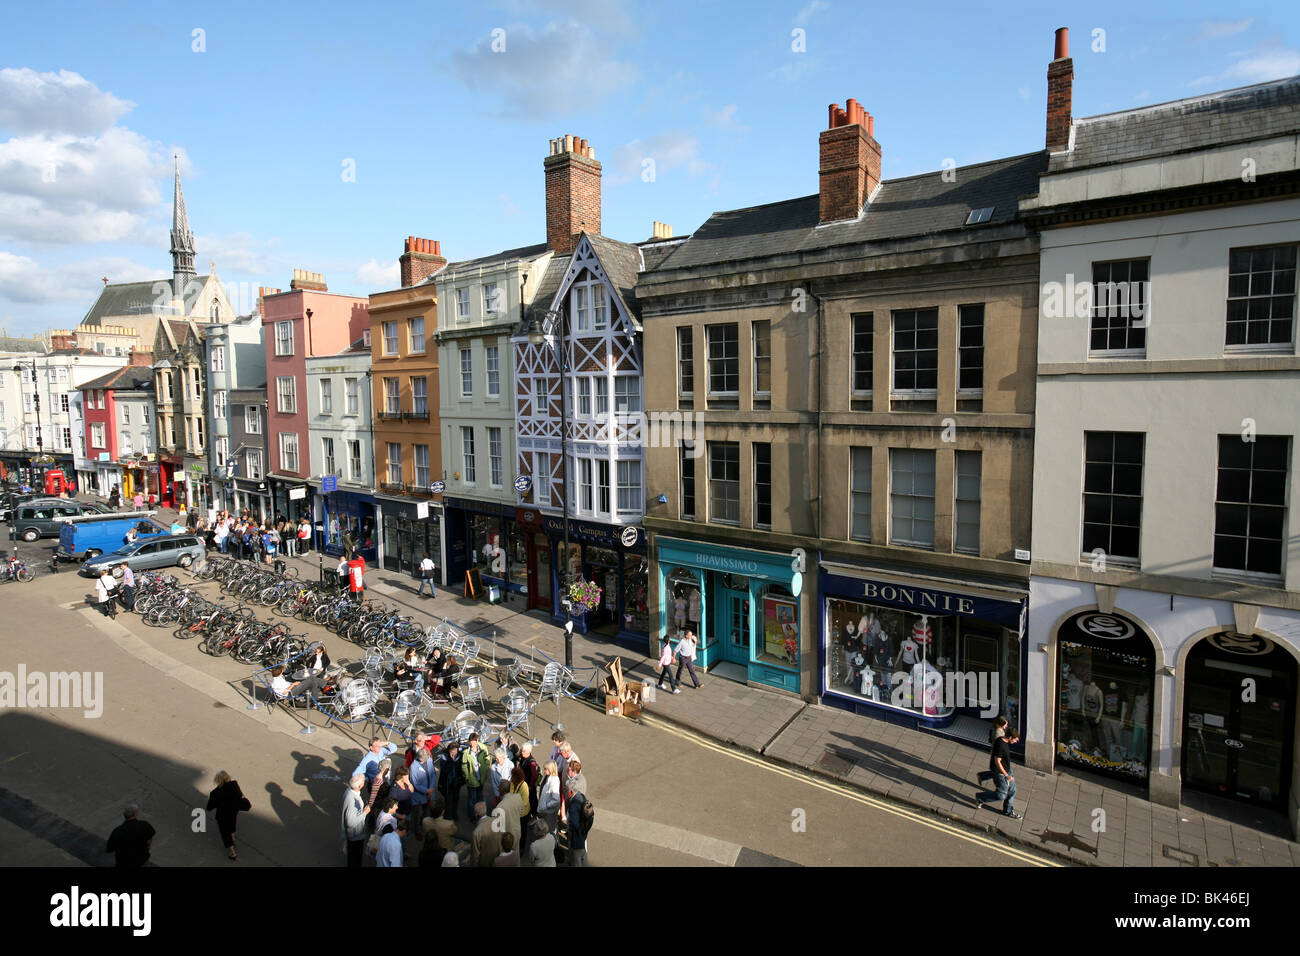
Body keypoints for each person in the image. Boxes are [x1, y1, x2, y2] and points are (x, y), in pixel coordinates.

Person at [976, 727, 1022, 819]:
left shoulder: (1001, 740)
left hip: (1007, 770)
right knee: (1001, 795)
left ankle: (1008, 811)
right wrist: (1006, 775)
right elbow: (997, 761)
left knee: (1012, 791)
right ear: (1010, 737)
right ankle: (980, 797)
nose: (1016, 742)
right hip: (1001, 774)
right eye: (1015, 740)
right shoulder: (1001, 745)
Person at [206, 771, 251, 861]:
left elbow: (209, 807)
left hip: (222, 815)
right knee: (232, 824)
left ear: (217, 780)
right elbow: (240, 796)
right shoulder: (234, 785)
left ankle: (232, 853)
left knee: (225, 833)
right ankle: (233, 839)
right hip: (233, 811)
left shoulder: (215, 793)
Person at [561, 779, 590, 867]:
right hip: (583, 833)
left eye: (567, 790)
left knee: (576, 860)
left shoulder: (574, 805)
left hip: (576, 838)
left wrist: (570, 832)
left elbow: (574, 824)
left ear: (571, 791)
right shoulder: (581, 796)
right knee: (583, 857)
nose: (566, 792)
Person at [342, 775, 368, 868]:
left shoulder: (349, 791)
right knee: (355, 858)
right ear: (360, 786)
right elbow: (351, 822)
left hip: (353, 835)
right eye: (363, 781)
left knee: (352, 856)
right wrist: (364, 813)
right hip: (356, 835)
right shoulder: (352, 801)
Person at [408, 747, 435, 836]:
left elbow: (432, 775)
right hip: (418, 796)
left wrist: (430, 789)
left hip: (429, 793)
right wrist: (427, 791)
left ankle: (427, 829)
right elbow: (416, 784)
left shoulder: (429, 760)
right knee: (417, 814)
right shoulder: (413, 767)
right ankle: (417, 830)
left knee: (427, 812)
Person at [462, 733, 491, 812]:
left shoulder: (483, 748)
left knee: (480, 796)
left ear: (477, 741)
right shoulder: (466, 753)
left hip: (481, 778)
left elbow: (487, 758)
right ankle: (472, 815)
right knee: (471, 799)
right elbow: (464, 766)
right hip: (471, 780)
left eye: (473, 743)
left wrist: (486, 768)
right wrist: (467, 777)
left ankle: (480, 813)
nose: (471, 745)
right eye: (470, 743)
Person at [977, 716, 1010, 787]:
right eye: (1005, 724)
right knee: (997, 769)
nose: (1006, 726)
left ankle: (982, 776)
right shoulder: (998, 733)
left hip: (998, 753)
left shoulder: (999, 730)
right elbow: (998, 745)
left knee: (997, 769)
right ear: (1000, 724)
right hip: (998, 754)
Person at [437, 741, 465, 820]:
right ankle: (448, 816)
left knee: (456, 799)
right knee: (448, 800)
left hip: (457, 782)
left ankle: (454, 813)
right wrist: (451, 761)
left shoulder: (460, 756)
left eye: (455, 751)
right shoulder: (444, 756)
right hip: (447, 783)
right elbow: (444, 769)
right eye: (451, 752)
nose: (453, 753)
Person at [471, 802, 503, 867]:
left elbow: (475, 854)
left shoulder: (476, 832)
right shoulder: (497, 822)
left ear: (476, 815)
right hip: (498, 860)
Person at [537, 760, 562, 836]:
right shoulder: (546, 776)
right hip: (545, 810)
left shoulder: (554, 781)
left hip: (549, 812)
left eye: (546, 769)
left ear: (551, 770)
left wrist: (546, 805)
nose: (544, 771)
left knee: (549, 830)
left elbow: (556, 800)